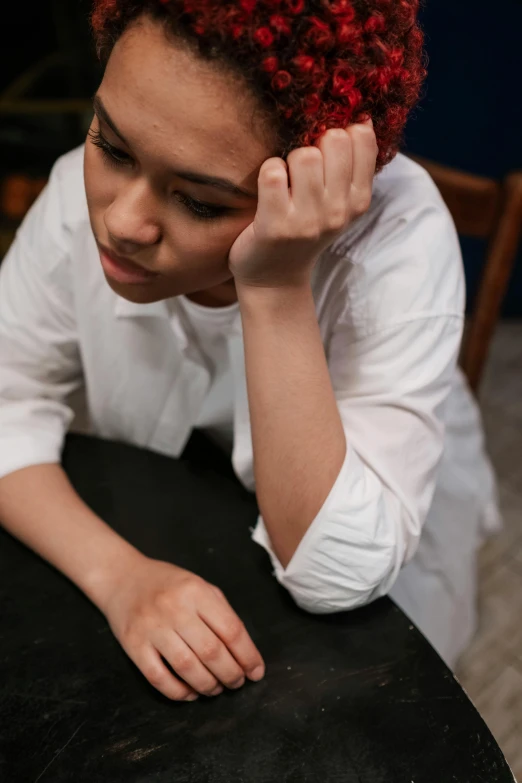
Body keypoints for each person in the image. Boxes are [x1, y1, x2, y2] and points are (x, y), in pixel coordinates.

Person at [0, 0, 499, 701]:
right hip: (157, 507)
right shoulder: (68, 200)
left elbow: (337, 573)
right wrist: (121, 578)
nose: (120, 221)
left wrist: (274, 286)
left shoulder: (399, 247)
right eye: (111, 148)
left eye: (200, 202)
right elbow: (6, 404)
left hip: (352, 506)